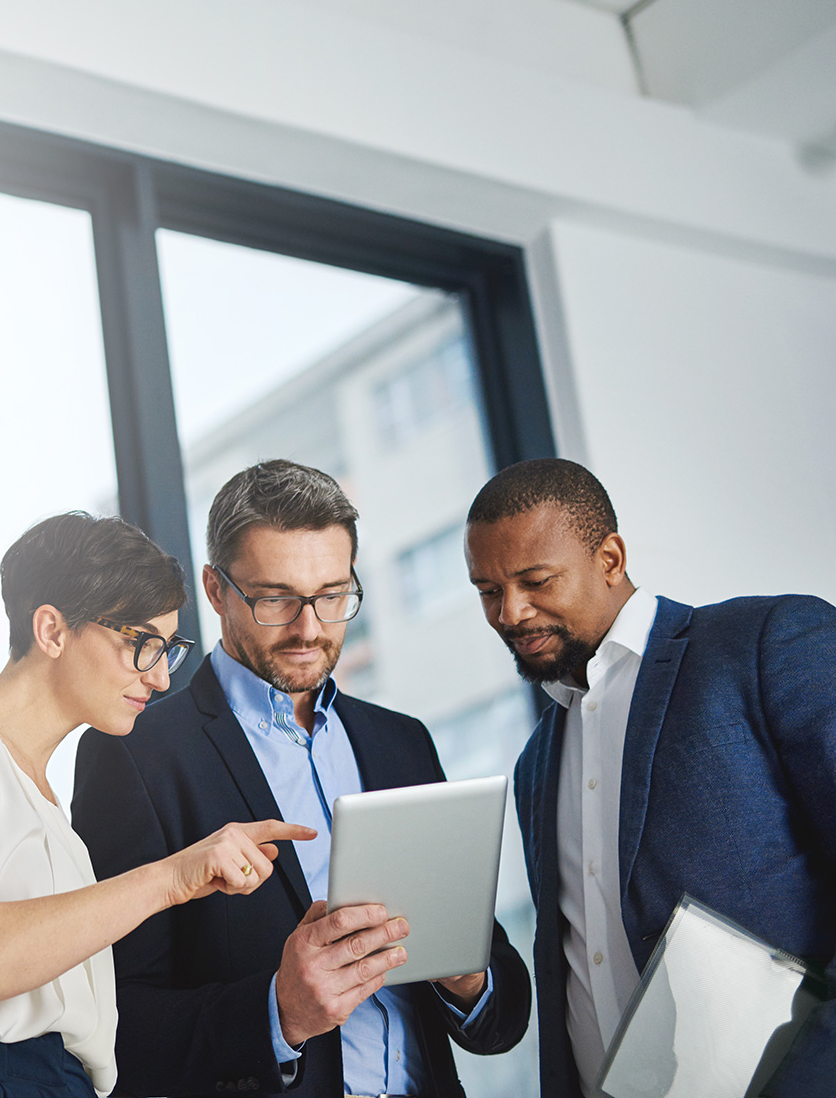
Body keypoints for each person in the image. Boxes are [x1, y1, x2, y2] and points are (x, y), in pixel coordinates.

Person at [72, 460, 531, 1098]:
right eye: (275, 599)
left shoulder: (401, 743)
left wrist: (466, 980)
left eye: (333, 595)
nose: (310, 627)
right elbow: (110, 1025)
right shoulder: (134, 756)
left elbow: (502, 1019)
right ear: (215, 590)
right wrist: (276, 1012)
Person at [0, 511, 314, 1098]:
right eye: (143, 644)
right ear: (52, 631)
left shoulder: (54, 816)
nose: (162, 678)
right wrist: (171, 879)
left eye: (168, 650)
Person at [463, 458, 836, 1098]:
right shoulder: (534, 765)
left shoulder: (764, 644)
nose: (511, 613)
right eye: (489, 591)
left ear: (610, 557)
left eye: (535, 581)